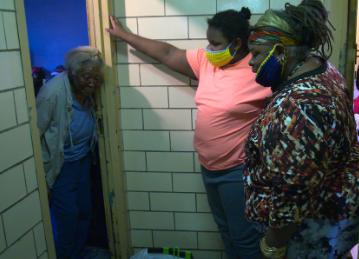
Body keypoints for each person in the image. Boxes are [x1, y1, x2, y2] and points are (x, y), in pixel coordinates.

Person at [107, 8, 271, 259]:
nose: (209, 48)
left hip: (238, 172)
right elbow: (167, 53)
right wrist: (125, 36)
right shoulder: (207, 61)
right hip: (209, 169)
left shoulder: (259, 71)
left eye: (215, 43)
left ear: (237, 43)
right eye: (208, 41)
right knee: (226, 233)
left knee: (244, 240)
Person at [244, 1, 359, 258]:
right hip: (332, 216)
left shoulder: (299, 106)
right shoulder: (322, 68)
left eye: (256, 53)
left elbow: (292, 196)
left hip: (308, 233)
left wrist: (273, 245)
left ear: (281, 51)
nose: (251, 63)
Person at [36, 46, 104, 259]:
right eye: (86, 77)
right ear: (72, 74)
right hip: (61, 166)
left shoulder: (89, 91)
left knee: (85, 212)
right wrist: (42, 178)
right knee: (68, 218)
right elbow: (36, 133)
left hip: (83, 159)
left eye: (95, 77)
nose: (92, 82)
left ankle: (78, 252)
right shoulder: (53, 92)